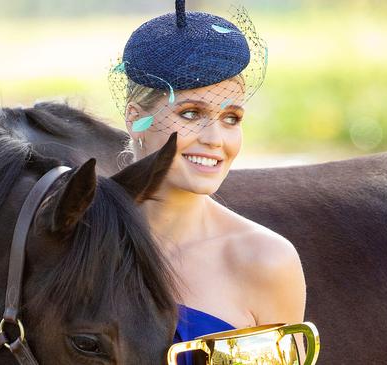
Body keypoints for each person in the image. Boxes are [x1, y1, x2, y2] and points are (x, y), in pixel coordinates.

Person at [108, 1, 307, 362]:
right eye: (191, 113)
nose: (215, 139)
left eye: (231, 118)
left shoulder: (265, 261)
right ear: (135, 118)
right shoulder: (80, 240)